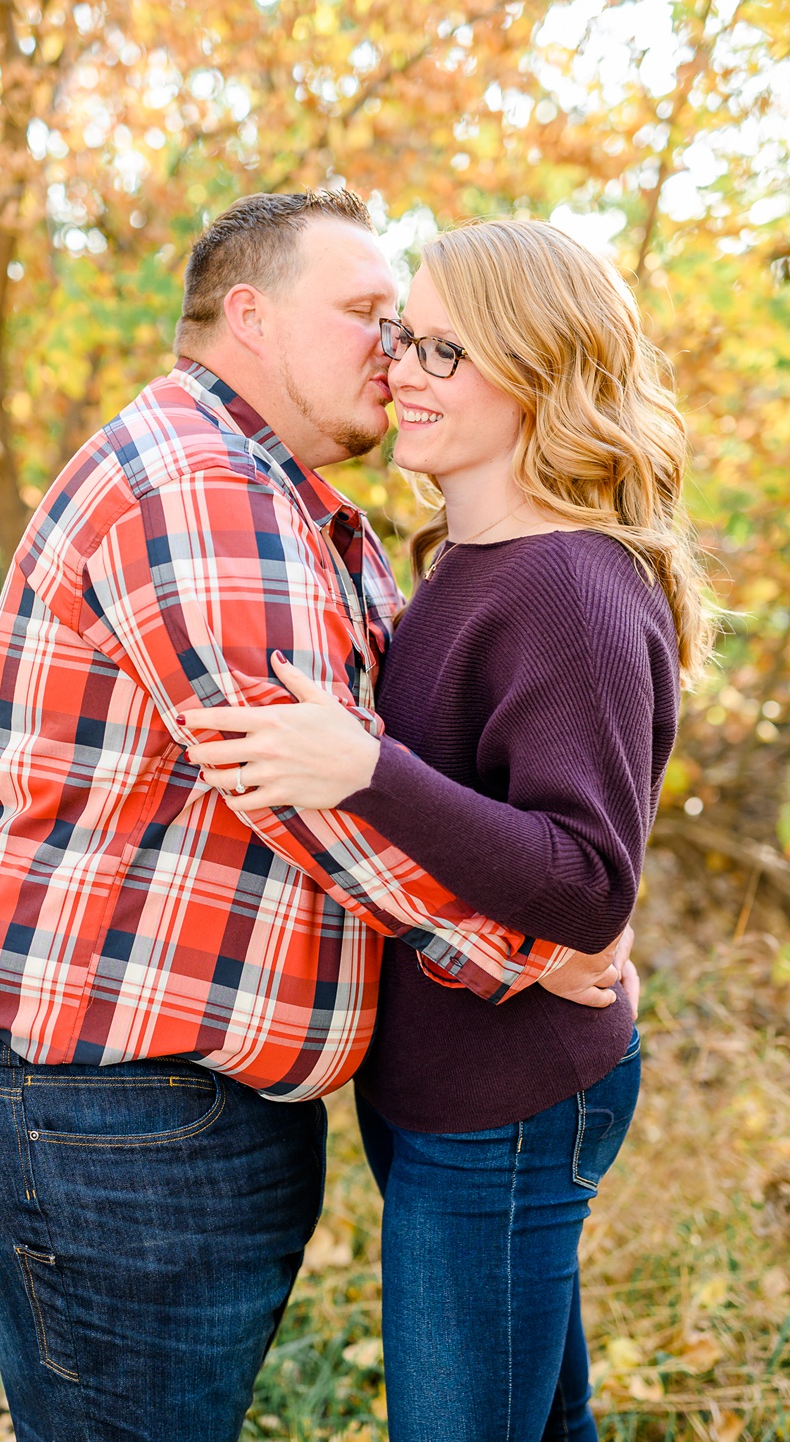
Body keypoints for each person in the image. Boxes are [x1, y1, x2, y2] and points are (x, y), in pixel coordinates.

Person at [0, 193, 627, 1442]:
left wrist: (562, 903)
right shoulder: (204, 487)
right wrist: (547, 952)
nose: (392, 353)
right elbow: (329, 811)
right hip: (106, 1110)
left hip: (138, 1104)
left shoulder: (319, 511)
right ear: (248, 314)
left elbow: (399, 773)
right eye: (368, 316)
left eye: (413, 330)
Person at [180, 217, 711, 1441]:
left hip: (507, 1105)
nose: (401, 370)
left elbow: (587, 886)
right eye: (406, 339)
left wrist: (367, 770)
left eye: (445, 353)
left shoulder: (565, 586)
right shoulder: (458, 562)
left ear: (540, 369)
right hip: (450, 1095)